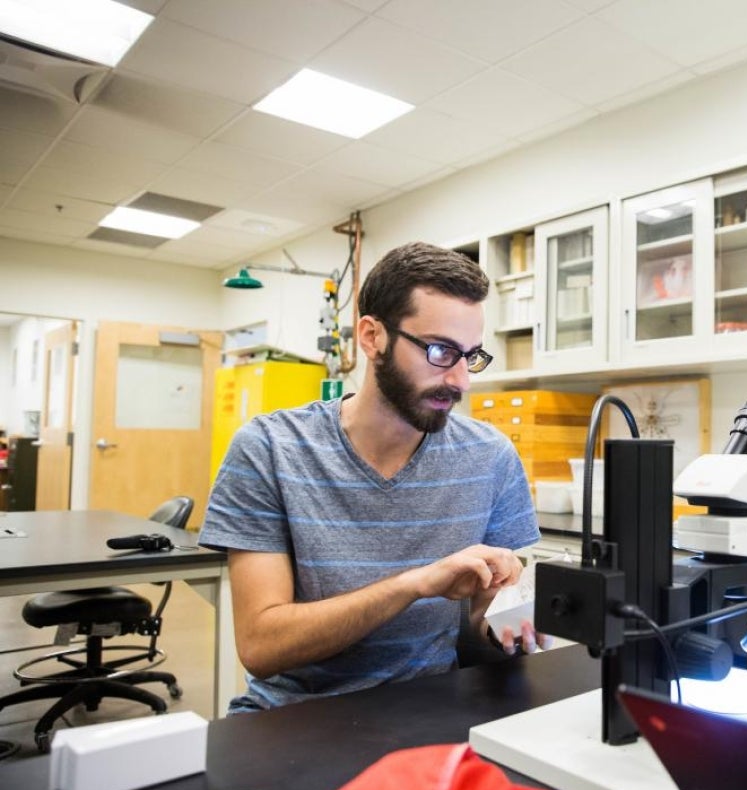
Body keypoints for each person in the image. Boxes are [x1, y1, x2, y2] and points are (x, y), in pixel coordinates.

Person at [200, 242, 542, 712]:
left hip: (431, 712)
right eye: (441, 351)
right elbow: (262, 647)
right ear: (371, 336)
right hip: (294, 719)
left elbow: (483, 618)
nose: (462, 380)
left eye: (471, 355)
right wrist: (415, 584)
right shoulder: (270, 449)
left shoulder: (490, 457)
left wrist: (510, 619)